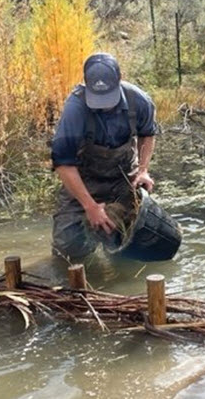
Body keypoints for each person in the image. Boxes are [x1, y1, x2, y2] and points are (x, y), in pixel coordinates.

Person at [50, 52, 158, 260]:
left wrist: (143, 171)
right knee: (68, 249)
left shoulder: (140, 101)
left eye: (108, 98)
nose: (104, 105)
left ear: (119, 80)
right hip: (84, 179)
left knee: (133, 242)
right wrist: (90, 206)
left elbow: (147, 134)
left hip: (124, 177)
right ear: (86, 85)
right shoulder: (75, 109)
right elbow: (63, 164)